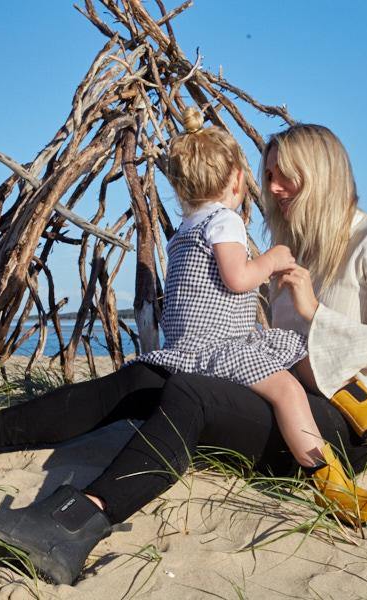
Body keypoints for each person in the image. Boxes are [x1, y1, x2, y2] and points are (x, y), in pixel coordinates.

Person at [0, 122, 367, 586]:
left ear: (321, 177)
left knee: (191, 390)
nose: (272, 189)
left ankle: (72, 525)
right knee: (147, 376)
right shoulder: (293, 248)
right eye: (269, 177)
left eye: (285, 178)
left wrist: (314, 314)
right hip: (282, 399)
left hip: (343, 427)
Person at [131, 107, 326, 472]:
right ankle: (323, 470)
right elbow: (237, 278)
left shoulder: (185, 231)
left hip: (186, 349)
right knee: (289, 390)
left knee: (290, 348)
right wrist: (270, 261)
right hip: (219, 348)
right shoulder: (225, 221)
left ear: (179, 187)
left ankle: (350, 415)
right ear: (238, 180)